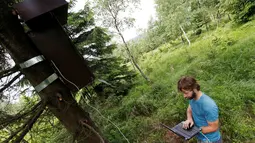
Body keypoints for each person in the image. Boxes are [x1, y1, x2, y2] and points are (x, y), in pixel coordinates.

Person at [177, 76, 222, 143]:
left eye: (186, 93)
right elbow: (189, 110)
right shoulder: (192, 98)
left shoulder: (208, 105)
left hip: (210, 140)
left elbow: (214, 127)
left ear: (194, 89)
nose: (184, 96)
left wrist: (194, 131)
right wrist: (189, 119)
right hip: (200, 138)